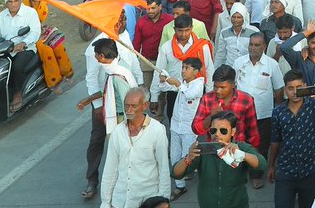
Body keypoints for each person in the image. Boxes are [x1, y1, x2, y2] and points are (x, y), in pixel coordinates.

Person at [78, 35, 140, 200]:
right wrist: (89, 100)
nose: (96, 58)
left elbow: (130, 104)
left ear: (102, 56)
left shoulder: (116, 76)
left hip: (121, 121)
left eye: (97, 56)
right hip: (114, 115)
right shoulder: (117, 67)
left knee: (121, 158)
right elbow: (106, 91)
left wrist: (130, 127)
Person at [267, 71, 315, 208]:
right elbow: (275, 140)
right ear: (285, 90)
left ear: (305, 86)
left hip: (310, 171)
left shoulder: (314, 104)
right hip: (285, 171)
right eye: (290, 88)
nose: (295, 92)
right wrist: (271, 165)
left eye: (299, 88)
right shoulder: (278, 112)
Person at [172, 109, 268, 208]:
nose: (217, 134)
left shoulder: (241, 148)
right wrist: (188, 158)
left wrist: (243, 155)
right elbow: (175, 174)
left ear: (232, 131)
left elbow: (262, 165)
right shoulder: (202, 150)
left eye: (223, 131)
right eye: (213, 130)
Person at [100, 87, 169, 208]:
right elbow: (110, 169)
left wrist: (164, 200)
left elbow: (164, 168)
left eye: (133, 106)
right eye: (126, 106)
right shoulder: (117, 132)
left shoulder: (157, 130)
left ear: (145, 106)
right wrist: (105, 203)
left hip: (146, 201)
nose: (129, 110)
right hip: (120, 201)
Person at [234, 32, 284, 188]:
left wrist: (279, 111)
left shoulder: (272, 65)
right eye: (251, 44)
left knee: (261, 145)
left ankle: (256, 174)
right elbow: (233, 86)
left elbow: (279, 89)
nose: (253, 48)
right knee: (239, 143)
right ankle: (238, 173)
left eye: (257, 45)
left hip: (263, 113)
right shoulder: (238, 62)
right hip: (240, 113)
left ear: (264, 47)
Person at [151, 14, 215, 120]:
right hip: (173, 91)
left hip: (195, 92)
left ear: (192, 28)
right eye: (180, 30)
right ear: (174, 29)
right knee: (173, 121)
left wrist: (209, 94)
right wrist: (154, 97)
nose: (184, 34)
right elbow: (158, 71)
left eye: (187, 30)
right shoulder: (166, 47)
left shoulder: (202, 46)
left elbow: (209, 70)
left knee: (194, 125)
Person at [0, 0, 41, 112]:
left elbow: (35, 32)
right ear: (6, 3)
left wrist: (24, 42)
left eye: (16, 1)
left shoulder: (30, 13)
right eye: (10, 2)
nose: (13, 4)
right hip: (5, 49)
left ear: (21, 1)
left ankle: (18, 93)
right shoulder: (2, 15)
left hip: (25, 49)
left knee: (16, 67)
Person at [192, 65, 262, 150]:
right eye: (215, 86)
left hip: (237, 150)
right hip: (213, 149)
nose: (218, 91)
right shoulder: (207, 98)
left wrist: (251, 154)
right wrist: (211, 117)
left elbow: (253, 133)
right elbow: (195, 128)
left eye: (222, 87)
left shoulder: (246, 100)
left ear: (233, 85)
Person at [169, 58, 207, 200]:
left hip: (189, 128)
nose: (183, 71)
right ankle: (180, 186)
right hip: (175, 126)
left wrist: (178, 84)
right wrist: (164, 79)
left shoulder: (198, 84)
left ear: (196, 71)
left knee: (186, 156)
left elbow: (190, 95)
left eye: (187, 68)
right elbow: (165, 87)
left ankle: (195, 170)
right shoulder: (182, 82)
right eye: (183, 67)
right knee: (174, 157)